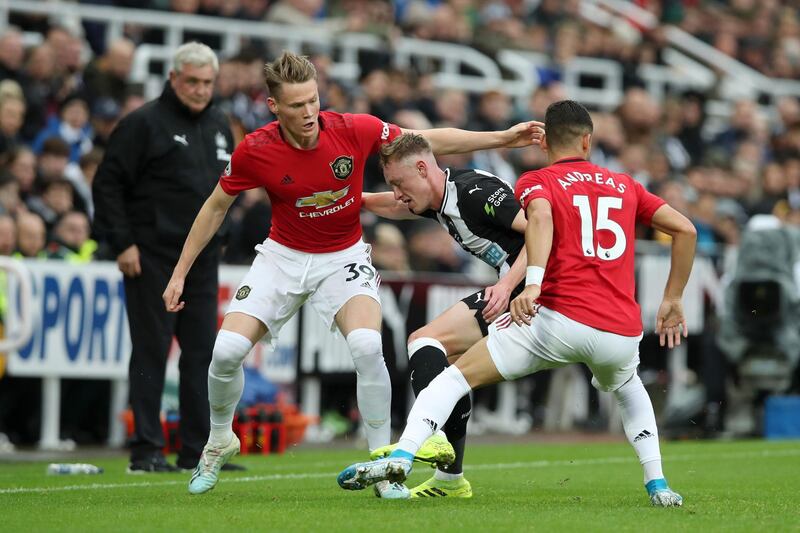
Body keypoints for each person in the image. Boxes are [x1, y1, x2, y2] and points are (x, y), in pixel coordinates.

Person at [161, 50, 543, 497]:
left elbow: (425, 142)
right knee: (225, 351)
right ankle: (219, 440)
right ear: (273, 107)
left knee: (366, 345)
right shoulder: (256, 150)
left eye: (313, 101)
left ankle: (384, 468)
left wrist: (502, 138)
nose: (308, 113)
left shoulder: (352, 129)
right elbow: (215, 207)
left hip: (342, 257)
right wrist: (179, 272)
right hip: (281, 256)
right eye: (297, 105)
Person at [338, 100, 697, 508]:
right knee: (626, 385)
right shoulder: (624, 183)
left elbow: (539, 226)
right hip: (619, 325)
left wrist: (519, 283)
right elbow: (685, 227)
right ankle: (658, 484)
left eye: (399, 185)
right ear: (587, 140)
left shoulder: (493, 190)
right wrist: (672, 299)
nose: (397, 195)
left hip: (540, 300)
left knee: (452, 374)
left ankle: (411, 449)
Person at [92, 42, 236, 473]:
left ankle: (197, 450)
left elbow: (229, 186)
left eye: (207, 83)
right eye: (191, 81)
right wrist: (122, 243)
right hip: (152, 255)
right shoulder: (142, 124)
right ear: (173, 79)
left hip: (201, 260)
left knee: (202, 355)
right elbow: (107, 184)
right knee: (152, 351)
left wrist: (223, 236)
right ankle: (145, 449)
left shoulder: (218, 124)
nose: (199, 90)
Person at [360, 133, 529, 498]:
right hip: (516, 289)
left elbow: (545, 233)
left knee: (423, 340)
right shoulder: (435, 200)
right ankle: (450, 480)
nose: (398, 193)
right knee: (442, 361)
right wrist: (349, 200)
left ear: (423, 168)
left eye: (400, 183)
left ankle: (431, 436)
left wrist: (508, 284)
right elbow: (392, 206)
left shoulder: (474, 193)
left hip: (533, 291)